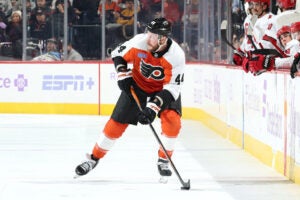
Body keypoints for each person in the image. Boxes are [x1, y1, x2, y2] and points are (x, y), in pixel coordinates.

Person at [75, 17, 185, 179]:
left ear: (163, 38)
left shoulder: (176, 55)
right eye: (148, 33)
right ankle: (93, 158)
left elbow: (173, 88)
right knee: (116, 124)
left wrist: (152, 108)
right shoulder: (139, 42)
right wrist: (123, 74)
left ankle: (164, 159)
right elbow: (117, 55)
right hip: (138, 85)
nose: (148, 37)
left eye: (153, 35)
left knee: (173, 121)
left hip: (163, 90)